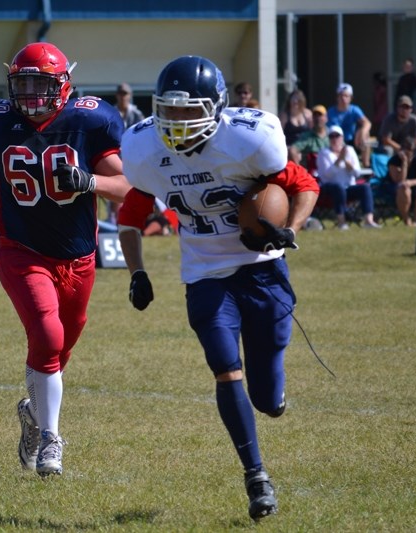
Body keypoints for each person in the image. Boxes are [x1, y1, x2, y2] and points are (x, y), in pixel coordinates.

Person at [116, 55, 319, 522]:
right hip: (205, 276)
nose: (178, 122)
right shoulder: (146, 149)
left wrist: (291, 227)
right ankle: (256, 476)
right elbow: (130, 216)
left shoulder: (248, 140)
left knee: (266, 397)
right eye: (169, 111)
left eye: (189, 111)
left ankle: (271, 397)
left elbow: (304, 184)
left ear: (218, 107)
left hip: (262, 270)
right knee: (226, 370)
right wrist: (137, 273)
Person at [0, 42, 131, 477]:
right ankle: (51, 439)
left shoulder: (88, 120)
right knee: (48, 336)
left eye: (40, 84)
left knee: (60, 348)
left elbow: (128, 186)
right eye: (23, 83)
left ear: (64, 84)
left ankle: (34, 413)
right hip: (22, 250)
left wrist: (88, 182)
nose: (30, 94)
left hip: (78, 257)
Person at [316, 125, 381, 229]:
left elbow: (357, 173)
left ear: (342, 138)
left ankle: (368, 220)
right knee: (338, 187)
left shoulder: (349, 150)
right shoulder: (324, 153)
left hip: (348, 187)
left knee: (365, 188)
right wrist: (339, 161)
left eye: (337, 136)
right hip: (329, 188)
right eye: (331, 136)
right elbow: (326, 175)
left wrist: (346, 162)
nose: (334, 139)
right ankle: (342, 222)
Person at [107, 83, 146, 223]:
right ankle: (112, 219)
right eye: (121, 93)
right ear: (117, 95)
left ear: (130, 96)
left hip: (132, 158)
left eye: (126, 94)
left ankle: (134, 219)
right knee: (112, 187)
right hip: (114, 157)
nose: (123, 97)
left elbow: (142, 136)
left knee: (134, 190)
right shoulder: (110, 112)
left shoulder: (137, 114)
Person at [385, 136, 416, 226]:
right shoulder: (394, 161)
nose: (407, 151)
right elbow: (399, 180)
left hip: (414, 185)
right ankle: (406, 219)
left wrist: (410, 182)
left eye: (409, 149)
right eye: (404, 148)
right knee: (404, 188)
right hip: (395, 187)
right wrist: (404, 164)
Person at [327, 83, 372, 167]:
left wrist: (362, 132)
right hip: (336, 141)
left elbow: (367, 123)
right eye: (341, 96)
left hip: (351, 141)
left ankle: (366, 165)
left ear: (351, 98)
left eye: (346, 96)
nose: (344, 98)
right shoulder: (330, 112)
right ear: (337, 97)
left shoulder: (354, 110)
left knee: (366, 134)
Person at [378, 95, 416, 160]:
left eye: (407, 107)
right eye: (402, 107)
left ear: (411, 109)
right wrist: (400, 149)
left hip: (408, 147)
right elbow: (386, 140)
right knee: (388, 150)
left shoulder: (414, 120)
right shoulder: (389, 119)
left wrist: (410, 148)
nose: (404, 110)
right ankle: (388, 168)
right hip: (392, 147)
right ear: (397, 108)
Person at [288, 104, 329, 172]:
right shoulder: (306, 136)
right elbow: (293, 150)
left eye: (320, 115)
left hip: (331, 174)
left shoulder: (333, 135)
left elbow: (344, 150)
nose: (317, 118)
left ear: (326, 118)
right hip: (313, 174)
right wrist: (301, 171)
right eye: (315, 116)